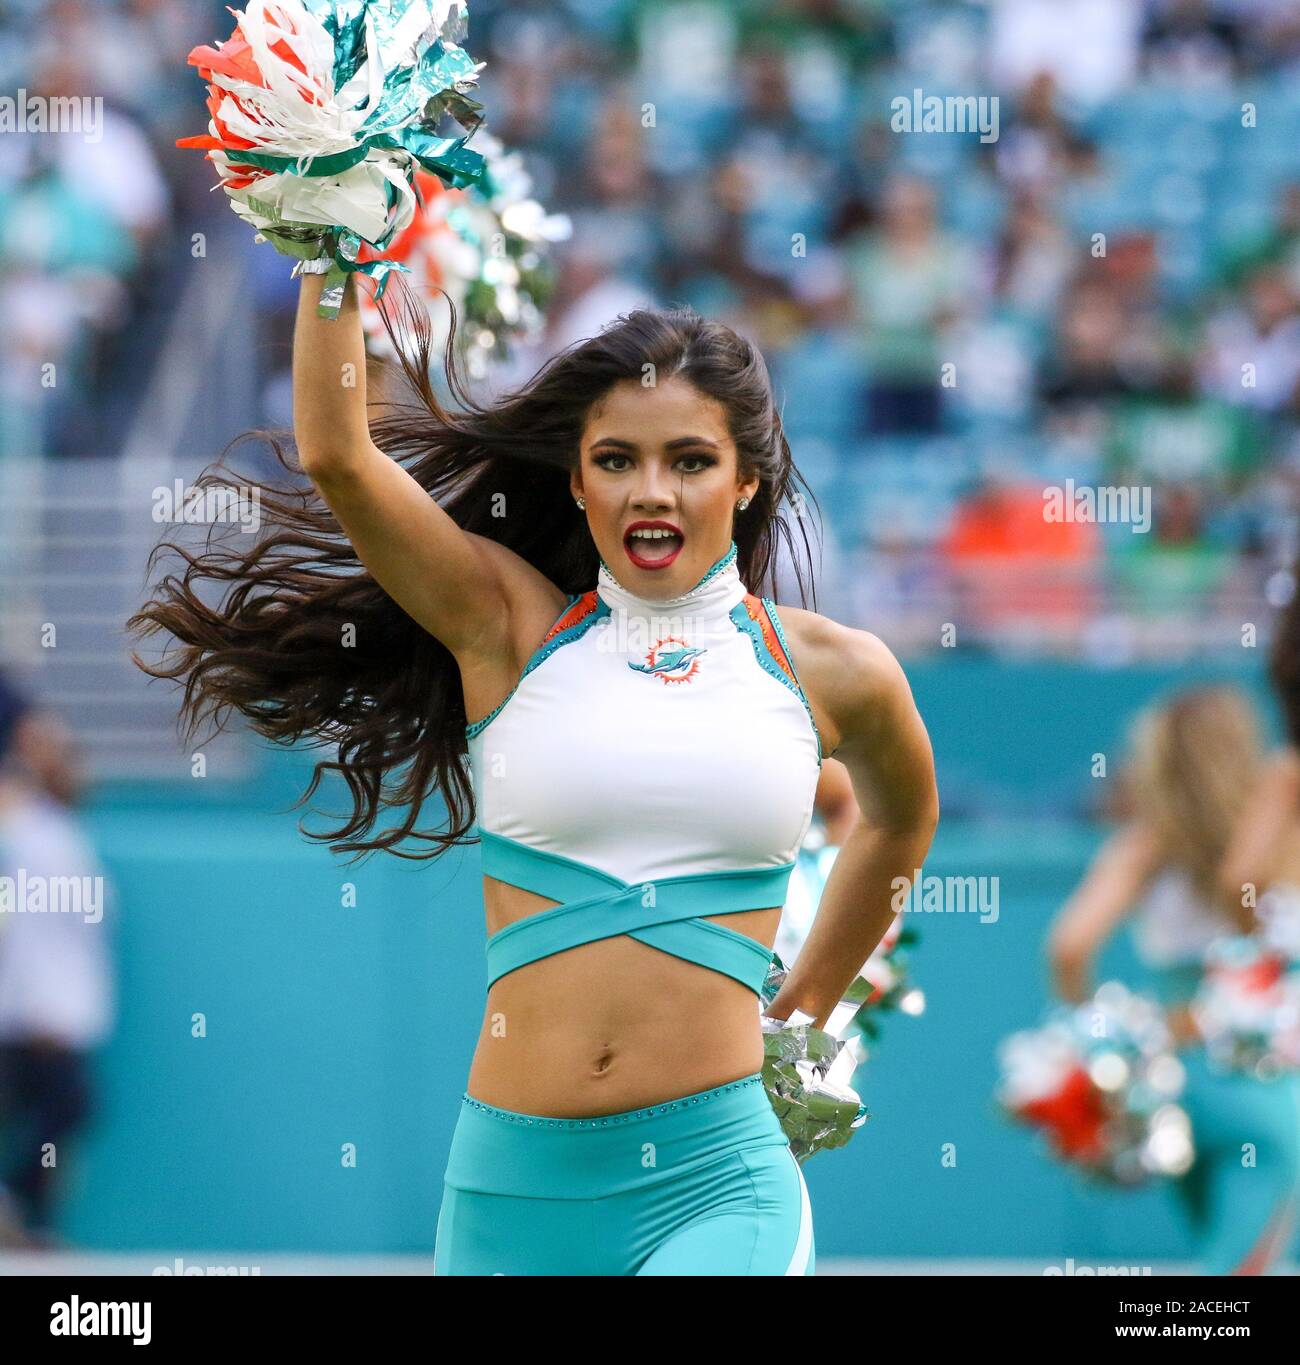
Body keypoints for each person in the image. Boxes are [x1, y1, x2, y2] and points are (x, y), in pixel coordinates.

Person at [129, 274, 939, 1276]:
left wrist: (809, 1003)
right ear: (575, 482)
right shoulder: (506, 628)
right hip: (511, 1189)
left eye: (690, 460)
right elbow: (341, 454)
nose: (651, 490)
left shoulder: (834, 672)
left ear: (745, 480)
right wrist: (323, 234)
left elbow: (899, 826)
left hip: (718, 1180)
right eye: (616, 460)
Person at [1047, 687, 1300, 1274]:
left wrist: (1107, 1050)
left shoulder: (1146, 846)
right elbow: (1251, 901)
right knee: (1235, 1278)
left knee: (1225, 1266)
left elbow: (1068, 949)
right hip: (1261, 1088)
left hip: (1173, 1087)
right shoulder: (1281, 841)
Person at [0, 672, 114, 1247]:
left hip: (58, 1012)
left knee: (64, 1115)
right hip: (34, 1014)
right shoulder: (24, 825)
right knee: (63, 1110)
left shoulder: (62, 831)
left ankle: (28, 1222)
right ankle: (22, 1215)